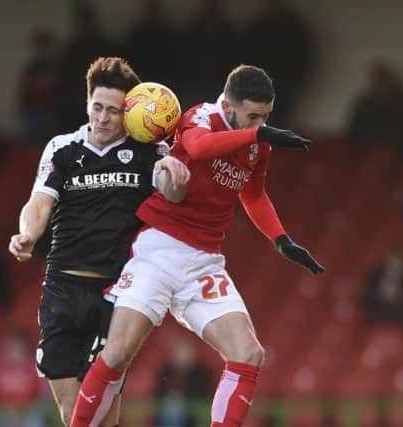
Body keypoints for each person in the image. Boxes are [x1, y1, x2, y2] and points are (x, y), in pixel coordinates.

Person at [70, 64, 325, 427]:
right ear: (229, 105)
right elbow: (197, 146)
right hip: (159, 248)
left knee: (249, 353)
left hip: (204, 262)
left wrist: (281, 239)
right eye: (252, 116)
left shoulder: (256, 143)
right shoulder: (201, 116)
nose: (257, 124)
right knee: (117, 353)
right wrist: (259, 134)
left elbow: (252, 195)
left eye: (265, 117)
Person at [8, 56, 190, 427]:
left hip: (116, 295)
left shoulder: (148, 151)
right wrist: (28, 233)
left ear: (129, 112)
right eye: (97, 108)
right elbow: (39, 202)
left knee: (100, 412)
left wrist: (177, 176)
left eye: (113, 110)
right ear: (88, 104)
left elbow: (173, 195)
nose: (103, 118)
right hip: (62, 288)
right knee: (70, 410)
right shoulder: (62, 148)